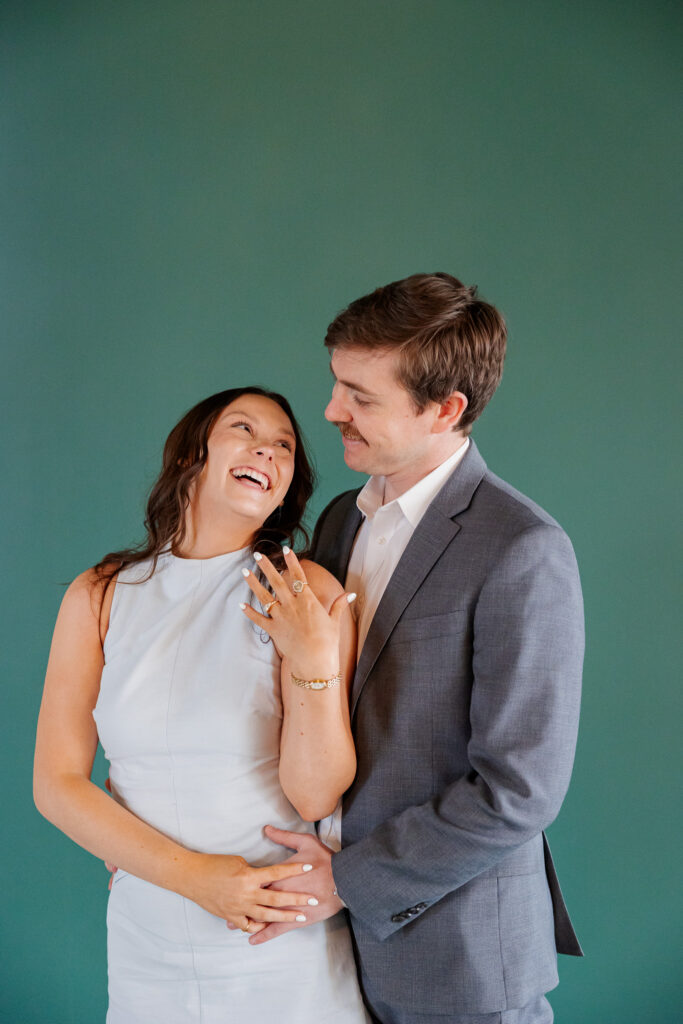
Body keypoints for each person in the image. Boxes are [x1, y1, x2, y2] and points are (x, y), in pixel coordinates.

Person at [247, 274, 584, 1024]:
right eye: (336, 383)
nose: (331, 411)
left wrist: (347, 882)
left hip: (459, 966)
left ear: (446, 410)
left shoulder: (523, 549)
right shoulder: (340, 519)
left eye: (361, 397)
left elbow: (518, 790)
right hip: (330, 961)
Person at [33, 387, 370, 1023]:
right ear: (192, 454)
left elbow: (315, 796)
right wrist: (196, 878)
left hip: (276, 935)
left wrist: (313, 660)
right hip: (145, 939)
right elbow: (57, 785)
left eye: (284, 447)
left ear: (284, 487)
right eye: (245, 430)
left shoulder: (305, 591)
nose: (267, 451)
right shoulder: (99, 596)